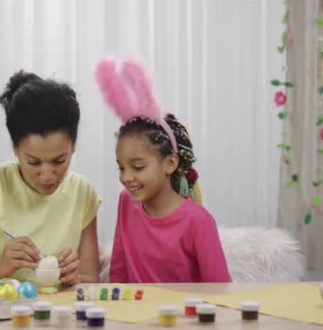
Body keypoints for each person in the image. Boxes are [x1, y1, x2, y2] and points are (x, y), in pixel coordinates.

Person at [0, 71, 101, 285]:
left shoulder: (82, 192)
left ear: (74, 145)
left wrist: (75, 277)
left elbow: (91, 279)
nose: (47, 175)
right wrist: (0, 268)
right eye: (33, 162)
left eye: (59, 161)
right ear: (15, 147)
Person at [95, 59, 230, 283]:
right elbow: (118, 272)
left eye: (138, 167)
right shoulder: (127, 201)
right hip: (134, 315)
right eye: (121, 167)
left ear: (170, 163)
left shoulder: (198, 222)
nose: (126, 177)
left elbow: (220, 289)